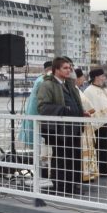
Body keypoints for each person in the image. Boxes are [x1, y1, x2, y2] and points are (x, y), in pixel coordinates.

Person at [36, 57, 85, 196]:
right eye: (65, 68)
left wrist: (81, 113)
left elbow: (75, 104)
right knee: (61, 158)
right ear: (56, 70)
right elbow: (42, 107)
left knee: (74, 157)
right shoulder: (47, 85)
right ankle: (60, 186)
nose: (69, 70)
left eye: (69, 68)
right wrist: (64, 110)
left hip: (74, 127)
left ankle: (72, 185)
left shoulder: (69, 84)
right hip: (59, 130)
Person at [84, 68, 107, 176]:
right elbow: (90, 106)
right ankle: (103, 169)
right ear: (96, 77)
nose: (104, 78)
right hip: (98, 123)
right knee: (102, 146)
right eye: (102, 76)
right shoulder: (89, 90)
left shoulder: (104, 89)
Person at [19, 60, 53, 146]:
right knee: (36, 143)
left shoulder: (39, 79)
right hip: (37, 116)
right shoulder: (44, 81)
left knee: (32, 140)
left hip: (31, 114)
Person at [74, 68, 99, 183]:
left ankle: (88, 174)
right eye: (82, 77)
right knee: (83, 151)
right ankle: (83, 175)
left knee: (88, 150)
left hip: (86, 125)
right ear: (77, 78)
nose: (84, 79)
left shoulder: (78, 89)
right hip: (82, 125)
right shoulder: (74, 89)